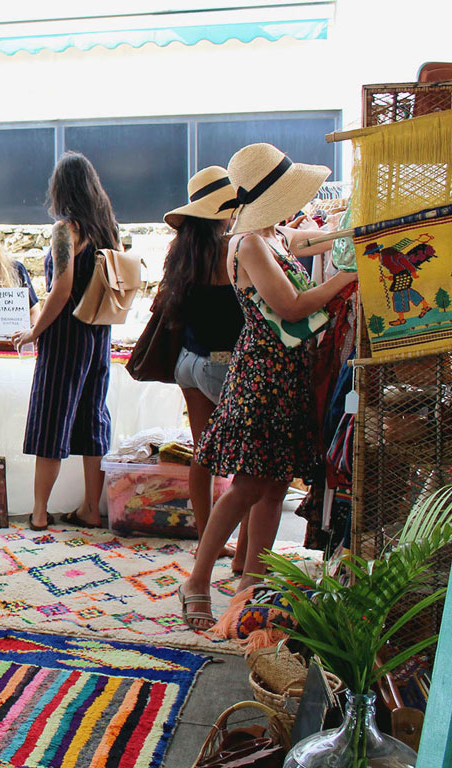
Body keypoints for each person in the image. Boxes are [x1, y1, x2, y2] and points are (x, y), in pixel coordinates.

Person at [179, 143, 358, 630]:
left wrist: (359, 229)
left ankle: (249, 587)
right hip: (263, 377)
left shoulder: (276, 235)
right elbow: (293, 307)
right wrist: (346, 276)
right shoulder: (248, 244)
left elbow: (319, 239)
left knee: (275, 487)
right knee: (247, 486)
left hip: (288, 375)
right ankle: (197, 580)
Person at [12, 152, 120, 531]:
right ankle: (92, 507)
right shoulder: (107, 228)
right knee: (93, 418)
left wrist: (32, 331)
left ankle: (40, 513)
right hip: (99, 331)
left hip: (67, 334)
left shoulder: (65, 229)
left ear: (60, 189)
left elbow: (61, 288)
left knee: (51, 419)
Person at [161, 166, 249, 573]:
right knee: (251, 460)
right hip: (223, 363)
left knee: (204, 455)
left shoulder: (182, 250)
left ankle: (205, 539)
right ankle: (243, 552)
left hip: (189, 361)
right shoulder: (231, 248)